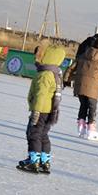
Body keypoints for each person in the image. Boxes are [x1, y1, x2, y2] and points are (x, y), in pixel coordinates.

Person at [17, 45, 65, 174]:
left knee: (34, 134)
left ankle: (34, 161)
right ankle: (44, 161)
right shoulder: (56, 73)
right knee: (43, 135)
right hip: (50, 110)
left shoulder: (45, 75)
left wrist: (36, 111)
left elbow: (41, 95)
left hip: (41, 110)